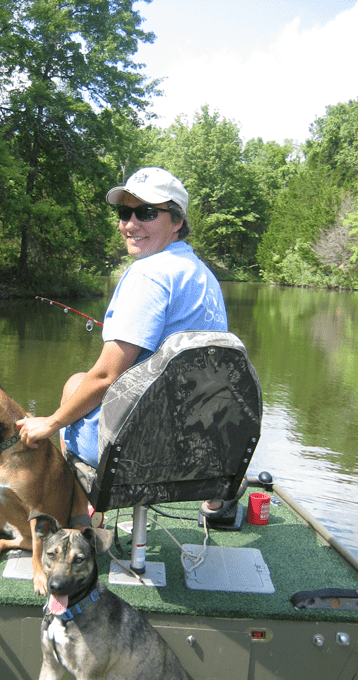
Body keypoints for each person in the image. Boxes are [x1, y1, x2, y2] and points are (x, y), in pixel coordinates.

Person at [17, 166, 234, 523]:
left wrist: (50, 424)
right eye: (124, 213)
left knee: (76, 384)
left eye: (146, 213)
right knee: (80, 388)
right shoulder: (201, 273)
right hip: (198, 445)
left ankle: (83, 512)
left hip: (144, 450)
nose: (130, 224)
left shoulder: (148, 274)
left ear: (176, 221)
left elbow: (105, 376)